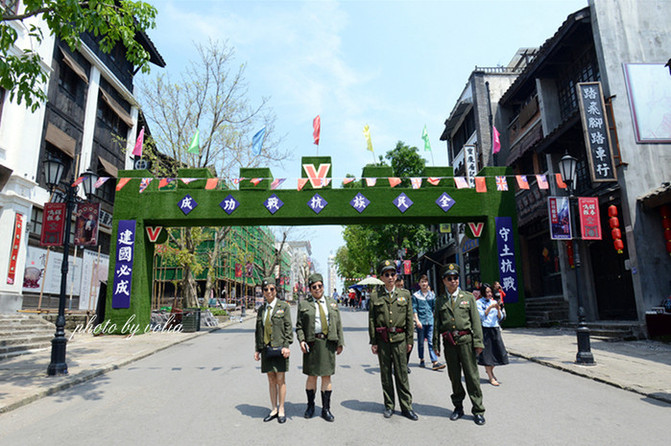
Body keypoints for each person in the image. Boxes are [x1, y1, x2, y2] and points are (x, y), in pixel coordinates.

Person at [433, 263, 486, 426]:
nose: (453, 281)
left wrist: (478, 342)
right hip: (449, 343)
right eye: (449, 278)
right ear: (444, 281)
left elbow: (476, 322)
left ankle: (478, 410)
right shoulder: (440, 300)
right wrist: (436, 344)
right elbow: (437, 323)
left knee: (471, 376)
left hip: (466, 342)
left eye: (455, 278)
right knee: (454, 377)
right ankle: (458, 407)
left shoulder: (468, 298)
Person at [368, 260, 418, 421]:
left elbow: (410, 318)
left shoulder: (405, 295)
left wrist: (410, 340)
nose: (390, 277)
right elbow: (372, 320)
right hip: (383, 340)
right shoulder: (376, 296)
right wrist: (373, 341)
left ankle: (406, 406)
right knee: (386, 374)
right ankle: (389, 405)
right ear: (382, 277)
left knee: (402, 373)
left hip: (400, 339)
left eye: (393, 274)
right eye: (387, 274)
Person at [296, 273, 345, 422]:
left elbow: (338, 324)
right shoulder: (304, 304)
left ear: (323, 286)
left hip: (328, 343)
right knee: (312, 376)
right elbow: (299, 326)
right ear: (310, 289)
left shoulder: (332, 303)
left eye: (320, 286)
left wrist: (340, 342)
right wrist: (301, 340)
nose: (317, 289)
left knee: (326, 376)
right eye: (314, 287)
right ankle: (310, 406)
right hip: (312, 343)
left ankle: (326, 409)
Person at [254, 277, 293, 424]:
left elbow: (288, 327)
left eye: (272, 289)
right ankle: (274, 408)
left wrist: (286, 346)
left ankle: (282, 408)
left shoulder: (284, 307)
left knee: (280, 379)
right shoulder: (261, 310)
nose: (269, 292)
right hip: (266, 349)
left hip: (280, 348)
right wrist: (257, 349)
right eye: (266, 290)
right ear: (263, 292)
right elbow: (258, 331)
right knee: (271, 379)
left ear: (276, 290)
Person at [477, 283, 509, 386]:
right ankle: (491, 377)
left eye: (490, 291)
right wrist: (490, 307)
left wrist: (498, 310)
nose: (489, 294)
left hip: (495, 328)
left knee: (498, 352)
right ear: (482, 293)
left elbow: (499, 318)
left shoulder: (494, 301)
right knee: (487, 354)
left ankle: (490, 371)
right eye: (487, 292)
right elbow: (481, 316)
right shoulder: (478, 303)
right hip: (485, 329)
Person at [411, 274, 445, 371]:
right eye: (422, 282)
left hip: (430, 322)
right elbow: (414, 309)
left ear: (427, 283)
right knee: (421, 342)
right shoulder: (416, 295)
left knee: (431, 341)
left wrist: (437, 321)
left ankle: (434, 361)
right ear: (419, 284)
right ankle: (421, 358)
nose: (424, 284)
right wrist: (417, 321)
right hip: (420, 322)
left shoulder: (432, 295)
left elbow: (434, 309)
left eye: (425, 282)